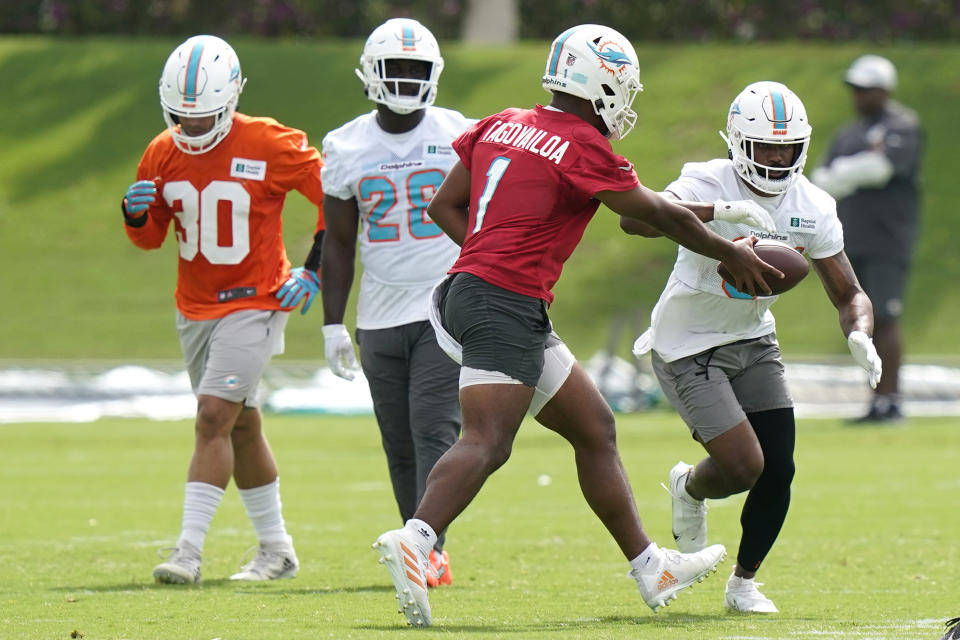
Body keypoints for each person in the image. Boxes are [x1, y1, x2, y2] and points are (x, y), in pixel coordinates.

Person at [371, 24, 787, 627]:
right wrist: (731, 250)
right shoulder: (584, 144)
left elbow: (443, 205)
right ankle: (418, 537)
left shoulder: (501, 121)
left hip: (477, 291)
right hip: (500, 301)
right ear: (606, 83)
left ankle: (651, 566)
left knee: (594, 427)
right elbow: (650, 212)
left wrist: (492, 262)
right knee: (488, 440)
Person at [625, 81, 883, 613]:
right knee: (744, 466)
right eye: (764, 146)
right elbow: (636, 219)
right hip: (686, 341)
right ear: (737, 142)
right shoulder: (705, 178)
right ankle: (691, 487)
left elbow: (849, 291)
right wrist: (720, 209)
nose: (775, 157)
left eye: (786, 148)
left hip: (752, 337)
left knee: (780, 466)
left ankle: (743, 583)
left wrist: (859, 331)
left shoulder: (812, 203)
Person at [121, 34, 325, 584]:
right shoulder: (160, 151)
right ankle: (277, 551)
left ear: (233, 98)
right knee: (240, 426)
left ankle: (187, 552)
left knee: (212, 416)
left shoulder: (269, 142)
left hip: (256, 302)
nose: (190, 129)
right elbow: (150, 239)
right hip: (195, 308)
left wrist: (314, 269)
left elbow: (338, 196)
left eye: (202, 118)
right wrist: (136, 215)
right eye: (181, 119)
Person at [284, 17, 473, 588]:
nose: (408, 79)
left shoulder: (461, 132)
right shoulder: (345, 145)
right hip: (379, 316)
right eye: (398, 68)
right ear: (371, 73)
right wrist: (332, 326)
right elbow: (338, 242)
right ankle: (418, 543)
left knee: (432, 429)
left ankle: (428, 546)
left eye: (418, 69)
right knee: (397, 441)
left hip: (443, 302)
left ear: (435, 73)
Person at [811, 55, 924, 422]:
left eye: (865, 89)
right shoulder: (849, 134)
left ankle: (889, 399)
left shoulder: (902, 125)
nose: (858, 96)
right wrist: (856, 168)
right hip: (849, 239)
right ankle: (875, 399)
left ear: (884, 90)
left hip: (888, 238)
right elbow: (821, 178)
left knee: (887, 318)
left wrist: (848, 170)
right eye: (855, 89)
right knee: (862, 320)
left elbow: (882, 169)